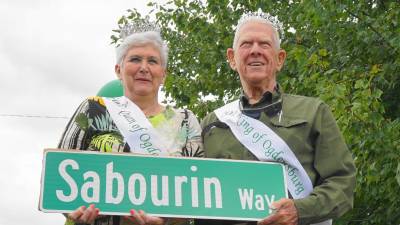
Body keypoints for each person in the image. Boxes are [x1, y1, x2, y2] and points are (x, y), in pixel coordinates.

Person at [198, 10, 356, 225]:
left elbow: (343, 183)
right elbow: (197, 195)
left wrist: (299, 211)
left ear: (279, 58)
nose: (255, 51)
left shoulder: (313, 112)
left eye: (264, 44)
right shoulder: (212, 124)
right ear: (232, 58)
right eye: (246, 44)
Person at [57, 18, 203, 225]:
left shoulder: (185, 121)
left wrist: (165, 220)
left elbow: (197, 194)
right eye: (135, 59)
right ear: (119, 69)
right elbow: (60, 176)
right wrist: (73, 212)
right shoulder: (92, 109)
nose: (144, 67)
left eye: (152, 61)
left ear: (163, 75)